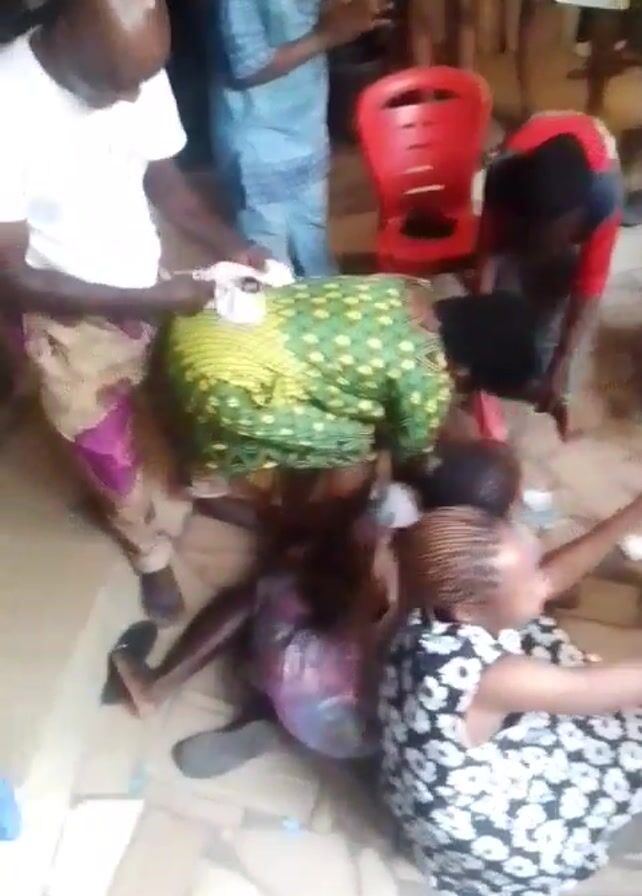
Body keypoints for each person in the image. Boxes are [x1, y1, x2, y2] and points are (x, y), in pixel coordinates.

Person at [0, 0, 268, 623]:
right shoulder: (8, 108)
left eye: (141, 81)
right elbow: (12, 278)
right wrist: (149, 301)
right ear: (65, 30)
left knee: (186, 393)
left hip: (144, 274)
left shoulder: (133, 67)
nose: (130, 99)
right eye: (113, 85)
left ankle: (202, 485)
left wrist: (233, 247)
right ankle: (149, 552)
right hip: (61, 318)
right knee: (106, 451)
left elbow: (166, 185)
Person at [107, 439, 521, 777]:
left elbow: (295, 530)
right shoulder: (470, 591)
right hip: (361, 734)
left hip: (303, 680)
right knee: (358, 663)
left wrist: (213, 502)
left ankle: (157, 687)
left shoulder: (384, 520)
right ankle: (275, 728)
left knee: (275, 583)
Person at [381, 496, 642, 896]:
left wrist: (632, 513)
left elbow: (548, 580)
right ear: (469, 611)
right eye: (527, 579)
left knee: (541, 638)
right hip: (486, 839)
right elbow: (605, 689)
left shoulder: (429, 602)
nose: (541, 582)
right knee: (625, 734)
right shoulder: (495, 677)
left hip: (427, 788)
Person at [163, 275, 543, 520]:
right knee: (359, 444)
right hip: (218, 378)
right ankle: (205, 481)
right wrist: (447, 459)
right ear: (465, 371)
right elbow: (412, 457)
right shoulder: (427, 380)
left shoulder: (409, 287)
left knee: (355, 399)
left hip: (205, 319)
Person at [205, 0, 388, 276]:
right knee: (271, 265)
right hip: (261, 142)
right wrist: (328, 34)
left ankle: (322, 296)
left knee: (315, 249)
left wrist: (346, 11)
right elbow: (248, 66)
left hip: (305, 128)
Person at [478, 118, 622, 437]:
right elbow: (487, 253)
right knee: (506, 294)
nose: (541, 250)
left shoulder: (603, 203)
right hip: (533, 143)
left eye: (552, 241)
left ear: (576, 227)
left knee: (555, 299)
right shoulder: (503, 182)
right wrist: (481, 326)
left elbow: (589, 288)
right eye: (535, 240)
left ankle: (546, 378)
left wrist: (562, 363)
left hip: (593, 155)